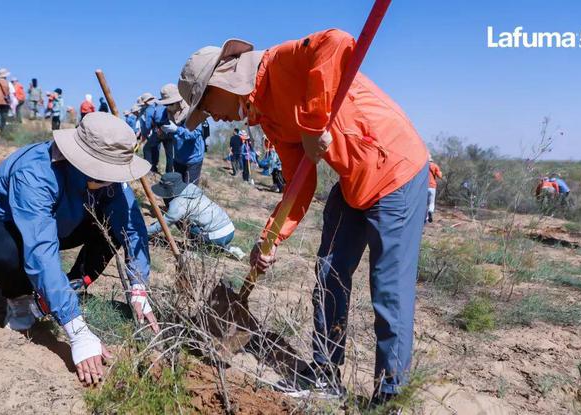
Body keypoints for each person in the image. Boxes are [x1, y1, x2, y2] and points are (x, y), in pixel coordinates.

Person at [178, 29, 429, 404]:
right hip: (353, 180)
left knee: (388, 289)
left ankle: (390, 398)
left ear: (222, 82)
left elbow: (336, 42)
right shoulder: (268, 117)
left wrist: (314, 124)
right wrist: (270, 239)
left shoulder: (279, 62)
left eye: (206, 105)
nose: (212, 116)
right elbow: (299, 181)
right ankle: (325, 375)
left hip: (395, 167)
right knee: (329, 272)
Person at [0, 112, 158, 386]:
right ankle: (19, 298)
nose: (114, 180)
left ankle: (68, 287)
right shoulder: (34, 173)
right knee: (7, 257)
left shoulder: (109, 178)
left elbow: (131, 226)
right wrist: (76, 329)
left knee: (112, 227)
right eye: (108, 174)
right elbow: (40, 250)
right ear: (83, 161)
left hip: (59, 222)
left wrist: (138, 286)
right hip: (3, 225)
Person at [148, 173, 239, 253]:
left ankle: (199, 249)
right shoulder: (191, 190)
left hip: (218, 237)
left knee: (182, 222)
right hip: (229, 230)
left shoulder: (179, 204)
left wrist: (145, 232)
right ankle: (220, 247)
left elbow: (163, 224)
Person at [157, 84, 204, 183]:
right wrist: (162, 132)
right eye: (165, 104)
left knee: (190, 190)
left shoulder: (192, 111)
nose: (167, 107)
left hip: (193, 158)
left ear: (178, 101)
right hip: (178, 157)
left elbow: (195, 134)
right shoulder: (166, 113)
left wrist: (177, 130)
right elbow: (167, 131)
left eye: (170, 104)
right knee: (179, 187)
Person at [138, 92, 167, 174]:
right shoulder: (161, 104)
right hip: (169, 130)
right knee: (169, 154)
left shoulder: (149, 108)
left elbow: (147, 125)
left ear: (145, 102)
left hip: (158, 131)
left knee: (147, 148)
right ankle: (168, 173)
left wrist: (144, 134)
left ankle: (149, 169)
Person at [427, 155, 443, 223]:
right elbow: (440, 176)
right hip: (432, 186)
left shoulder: (423, 166)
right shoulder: (434, 166)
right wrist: (440, 173)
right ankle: (430, 212)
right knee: (431, 203)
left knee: (424, 203)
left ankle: (425, 217)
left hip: (424, 187)